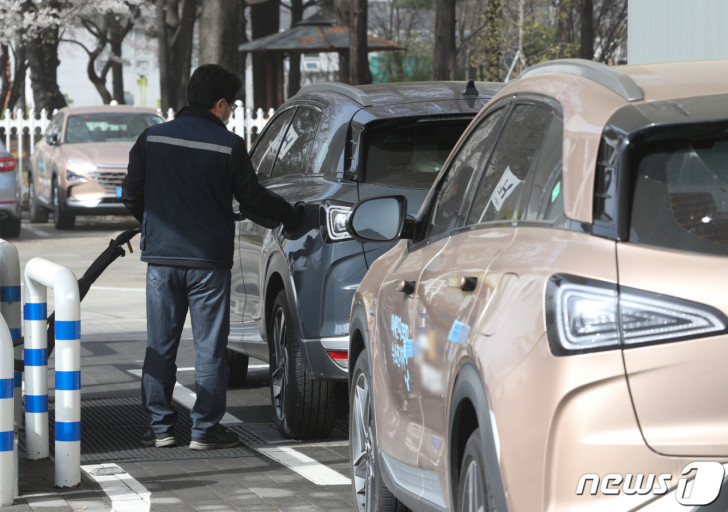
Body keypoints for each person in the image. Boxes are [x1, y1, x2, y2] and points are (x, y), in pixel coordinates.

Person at [122, 64, 303, 450]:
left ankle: (160, 429)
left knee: (160, 345)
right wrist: (290, 215)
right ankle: (205, 431)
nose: (231, 112)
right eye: (231, 105)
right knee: (209, 348)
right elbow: (253, 200)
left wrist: (154, 226)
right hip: (209, 263)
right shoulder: (229, 146)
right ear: (219, 104)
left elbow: (131, 195)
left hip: (162, 261)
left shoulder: (151, 139)